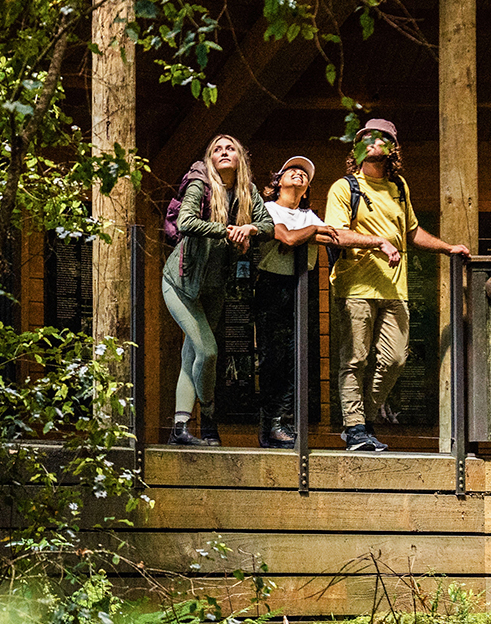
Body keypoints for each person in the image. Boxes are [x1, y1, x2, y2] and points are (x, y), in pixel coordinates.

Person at [324, 118, 469, 452]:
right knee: (355, 360)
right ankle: (356, 427)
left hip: (394, 290)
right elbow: (336, 233)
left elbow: (412, 232)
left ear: (392, 148)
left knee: (395, 360)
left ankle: (362, 421)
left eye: (384, 138)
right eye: (368, 137)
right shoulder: (345, 187)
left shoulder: (399, 187)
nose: (376, 142)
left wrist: (449, 248)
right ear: (358, 146)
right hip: (356, 288)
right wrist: (378, 242)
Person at [254, 155, 397, 448]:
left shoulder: (309, 216)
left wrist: (377, 241)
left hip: (300, 286)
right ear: (277, 181)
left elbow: (338, 236)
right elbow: (288, 238)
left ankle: (287, 423)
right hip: (273, 286)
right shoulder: (266, 210)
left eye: (304, 174)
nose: (298, 174)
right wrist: (312, 233)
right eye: (291, 170)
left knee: (298, 357)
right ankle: (271, 424)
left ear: (306, 190)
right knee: (274, 357)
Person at [162, 134, 273, 446]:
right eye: (217, 149)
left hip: (213, 288)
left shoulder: (248, 192)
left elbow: (269, 226)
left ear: (240, 158)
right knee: (208, 352)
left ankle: (180, 429)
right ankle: (208, 419)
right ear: (210, 158)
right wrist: (226, 231)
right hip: (180, 283)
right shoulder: (201, 183)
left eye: (230, 149)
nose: (224, 153)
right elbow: (185, 221)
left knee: (192, 356)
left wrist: (249, 228)